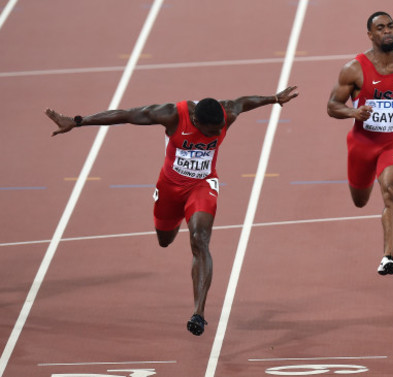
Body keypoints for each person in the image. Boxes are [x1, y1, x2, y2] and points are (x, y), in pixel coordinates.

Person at [45, 86, 299, 336]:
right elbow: (126, 114)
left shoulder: (227, 113)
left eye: (220, 128)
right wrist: (78, 121)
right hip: (170, 187)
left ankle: (198, 313)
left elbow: (244, 101)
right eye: (212, 131)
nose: (218, 133)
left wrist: (274, 98)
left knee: (200, 240)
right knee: (164, 240)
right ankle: (177, 219)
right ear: (197, 122)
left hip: (202, 184)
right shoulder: (172, 115)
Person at [327, 11, 393, 275]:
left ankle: (388, 257)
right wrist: (353, 112)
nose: (388, 31)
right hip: (361, 145)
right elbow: (332, 106)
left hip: (392, 142)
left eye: (391, 26)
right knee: (360, 201)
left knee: (392, 189)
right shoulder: (354, 68)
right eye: (381, 28)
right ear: (371, 35)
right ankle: (372, 179)